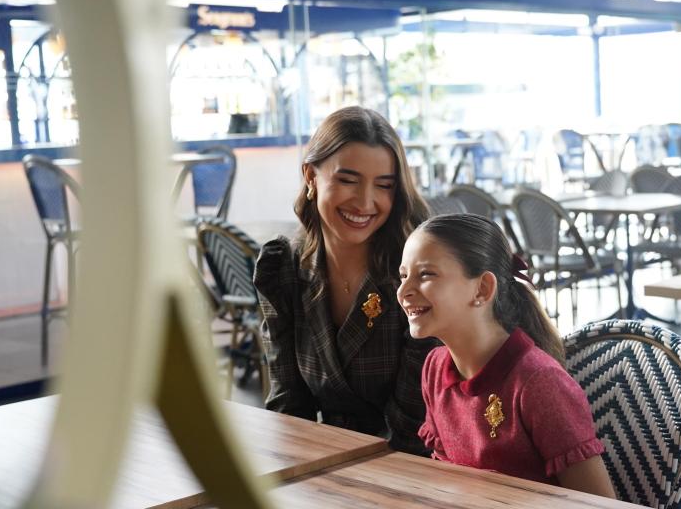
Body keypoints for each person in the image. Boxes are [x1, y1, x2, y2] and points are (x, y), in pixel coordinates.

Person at [254, 106, 434, 455]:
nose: (365, 202)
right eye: (348, 180)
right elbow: (288, 404)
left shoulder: (419, 271)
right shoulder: (284, 267)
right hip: (326, 464)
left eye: (384, 186)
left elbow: (415, 424)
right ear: (310, 176)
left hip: (420, 466)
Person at [398, 213, 616, 498]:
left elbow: (600, 504)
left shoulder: (539, 382)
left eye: (426, 274)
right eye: (403, 276)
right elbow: (448, 481)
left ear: (482, 288)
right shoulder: (434, 368)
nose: (403, 291)